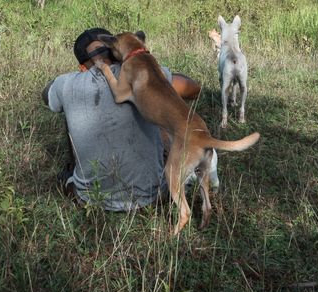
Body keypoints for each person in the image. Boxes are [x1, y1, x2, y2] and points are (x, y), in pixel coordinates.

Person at [43, 28, 201, 210]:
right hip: (152, 197)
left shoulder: (66, 83)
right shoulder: (142, 75)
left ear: (82, 67)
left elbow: (46, 94)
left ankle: (79, 173)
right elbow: (193, 88)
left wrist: (65, 83)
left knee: (67, 116)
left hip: (90, 200)